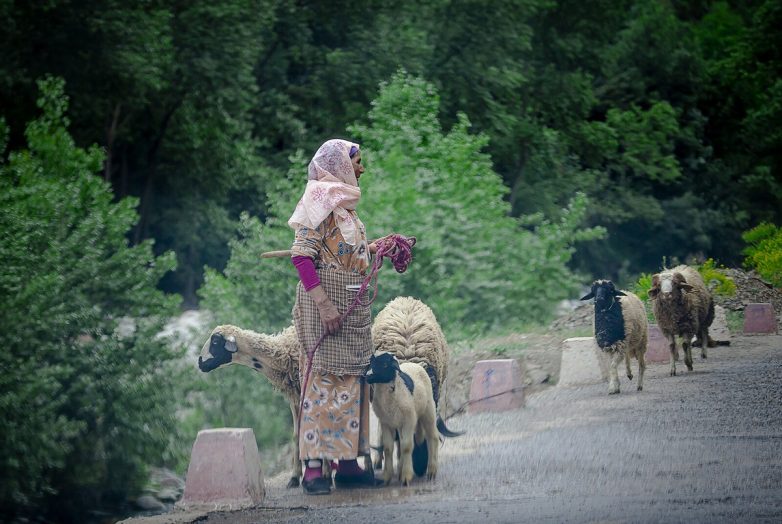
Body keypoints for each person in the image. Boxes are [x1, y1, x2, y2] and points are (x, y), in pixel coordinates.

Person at [288, 139, 385, 495]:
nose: (362, 168)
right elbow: (302, 257)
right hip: (325, 307)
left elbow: (346, 253)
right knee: (321, 381)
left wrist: (377, 247)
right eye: (357, 162)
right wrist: (325, 305)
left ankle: (346, 464)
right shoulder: (318, 204)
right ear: (339, 166)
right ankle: (314, 469)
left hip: (350, 306)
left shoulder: (344, 208)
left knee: (350, 380)